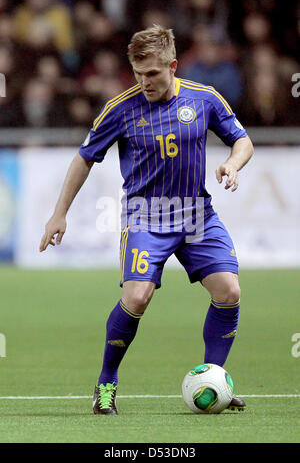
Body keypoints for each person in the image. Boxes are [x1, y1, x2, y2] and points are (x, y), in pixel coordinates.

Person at [40, 24, 254, 415]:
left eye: (152, 74)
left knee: (230, 292)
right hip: (147, 216)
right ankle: (106, 382)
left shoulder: (203, 99)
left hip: (196, 214)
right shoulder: (121, 108)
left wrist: (232, 164)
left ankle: (214, 378)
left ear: (172, 66)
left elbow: (242, 140)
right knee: (137, 297)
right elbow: (84, 158)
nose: (144, 82)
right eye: (137, 73)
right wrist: (59, 214)